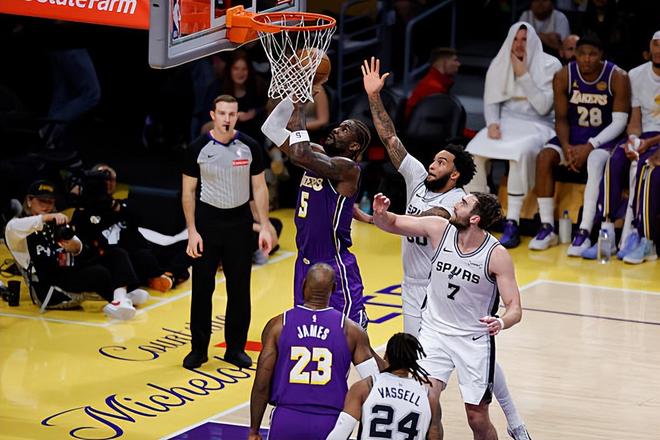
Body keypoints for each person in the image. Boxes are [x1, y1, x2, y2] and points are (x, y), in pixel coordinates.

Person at [363, 56, 530, 440]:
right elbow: (389, 138)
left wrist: (386, 219)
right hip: (416, 293)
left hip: (441, 289)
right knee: (420, 381)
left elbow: (431, 218)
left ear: (455, 175)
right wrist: (374, 97)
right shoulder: (418, 178)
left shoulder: (457, 205)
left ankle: (514, 421)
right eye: (434, 159)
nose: (432, 164)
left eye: (441, 161)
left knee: (481, 371)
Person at [371, 192, 527, 440]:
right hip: (434, 332)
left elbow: (515, 308)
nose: (455, 204)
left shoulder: (496, 255)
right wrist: (381, 214)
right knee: (425, 403)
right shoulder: (439, 228)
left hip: (472, 340)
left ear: (474, 219)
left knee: (477, 418)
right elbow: (393, 223)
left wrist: (501, 321)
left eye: (463, 203)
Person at [261, 95, 372, 328]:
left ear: (354, 146)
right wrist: (293, 97)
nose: (336, 129)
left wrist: (299, 109)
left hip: (333, 263)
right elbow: (270, 128)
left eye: (344, 130)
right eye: (339, 126)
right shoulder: (315, 153)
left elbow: (300, 154)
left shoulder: (348, 169)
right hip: (304, 261)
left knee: (350, 332)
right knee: (309, 329)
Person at [181, 94, 273, 369]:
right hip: (207, 223)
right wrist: (192, 231)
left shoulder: (250, 146)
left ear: (237, 116)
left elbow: (259, 188)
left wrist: (265, 226)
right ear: (213, 115)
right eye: (222, 113)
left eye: (232, 114)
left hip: (239, 224)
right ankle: (199, 350)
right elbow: (188, 192)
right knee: (202, 289)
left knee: (239, 289)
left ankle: (235, 349)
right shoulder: (197, 148)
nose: (227, 119)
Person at [248, 263, 380, 440]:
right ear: (334, 288)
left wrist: (254, 430)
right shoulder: (351, 330)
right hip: (330, 422)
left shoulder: (278, 325)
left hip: (286, 418)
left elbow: (261, 384)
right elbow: (375, 383)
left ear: (303, 284)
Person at [529, 36, 630, 254]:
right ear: (575, 54)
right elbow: (561, 118)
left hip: (604, 139)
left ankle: (584, 230)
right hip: (572, 139)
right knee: (544, 157)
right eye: (582, 53)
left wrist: (590, 146)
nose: (586, 59)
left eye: (592, 54)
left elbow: (620, 122)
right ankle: (547, 227)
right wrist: (566, 146)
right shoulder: (564, 75)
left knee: (594, 161)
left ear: (601, 55)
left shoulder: (617, 76)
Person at [466, 23, 562, 248]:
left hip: (538, 125)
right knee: (472, 152)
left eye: (524, 40)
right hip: (506, 123)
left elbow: (543, 107)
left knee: (519, 153)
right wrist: (492, 123)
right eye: (515, 39)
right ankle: (478, 216)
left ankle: (512, 222)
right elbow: (491, 99)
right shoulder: (500, 61)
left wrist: (523, 75)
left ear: (534, 41)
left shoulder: (551, 65)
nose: (519, 45)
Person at [4, 180, 148, 319]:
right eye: (42, 201)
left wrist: (75, 247)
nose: (47, 206)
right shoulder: (16, 228)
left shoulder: (54, 222)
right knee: (99, 273)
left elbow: (77, 245)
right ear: (29, 200)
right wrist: (49, 217)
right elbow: (16, 226)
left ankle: (120, 298)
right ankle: (121, 297)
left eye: (51, 202)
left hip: (68, 272)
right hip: (49, 287)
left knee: (117, 254)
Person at [583, 31, 660, 261]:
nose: (659, 50)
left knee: (646, 168)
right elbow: (634, 120)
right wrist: (633, 140)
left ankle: (642, 238)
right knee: (614, 159)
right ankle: (606, 233)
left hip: (657, 140)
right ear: (649, 48)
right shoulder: (636, 75)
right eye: (656, 45)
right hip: (644, 135)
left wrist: (648, 143)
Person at [326, 332, 438, 440]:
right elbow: (435, 435)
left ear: (386, 356)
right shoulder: (429, 397)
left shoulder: (365, 387)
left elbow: (341, 431)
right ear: (414, 360)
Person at [404, 47, 461, 121]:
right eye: (455, 60)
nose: (458, 64)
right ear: (443, 62)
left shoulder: (436, 83)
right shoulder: (433, 87)